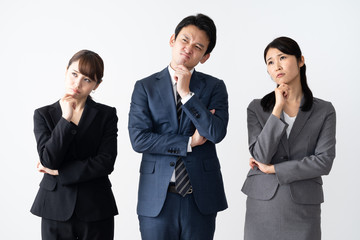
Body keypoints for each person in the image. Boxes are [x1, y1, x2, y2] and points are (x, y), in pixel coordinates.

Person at [128, 13, 228, 240]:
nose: (188, 48)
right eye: (185, 40)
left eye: (198, 46)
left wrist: (187, 94)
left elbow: (215, 132)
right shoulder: (145, 87)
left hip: (200, 197)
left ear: (205, 56)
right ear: (172, 39)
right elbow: (139, 139)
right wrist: (189, 142)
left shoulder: (215, 87)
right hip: (157, 199)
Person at [241, 36, 336, 240]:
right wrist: (277, 108)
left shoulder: (324, 110)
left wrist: (275, 169)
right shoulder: (256, 108)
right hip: (263, 204)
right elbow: (261, 155)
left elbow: (324, 162)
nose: (277, 66)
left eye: (282, 57)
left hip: (303, 205)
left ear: (300, 60)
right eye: (270, 62)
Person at [30, 50, 118, 240]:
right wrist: (65, 119)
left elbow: (106, 162)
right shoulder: (43, 114)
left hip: (96, 207)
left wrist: (62, 172)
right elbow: (49, 160)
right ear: (66, 72)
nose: (77, 84)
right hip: (55, 206)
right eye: (74, 74)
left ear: (97, 84)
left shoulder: (106, 115)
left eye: (87, 79)